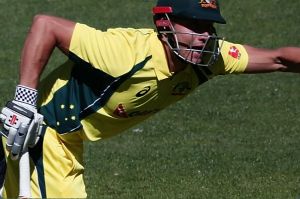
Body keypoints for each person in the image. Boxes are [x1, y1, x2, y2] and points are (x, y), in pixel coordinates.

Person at [1, 0, 300, 198]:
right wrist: (24, 100)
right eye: (193, 26)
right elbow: (46, 25)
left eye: (208, 27)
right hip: (41, 131)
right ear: (164, 24)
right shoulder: (124, 53)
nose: (203, 36)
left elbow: (279, 59)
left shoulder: (209, 59)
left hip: (70, 141)